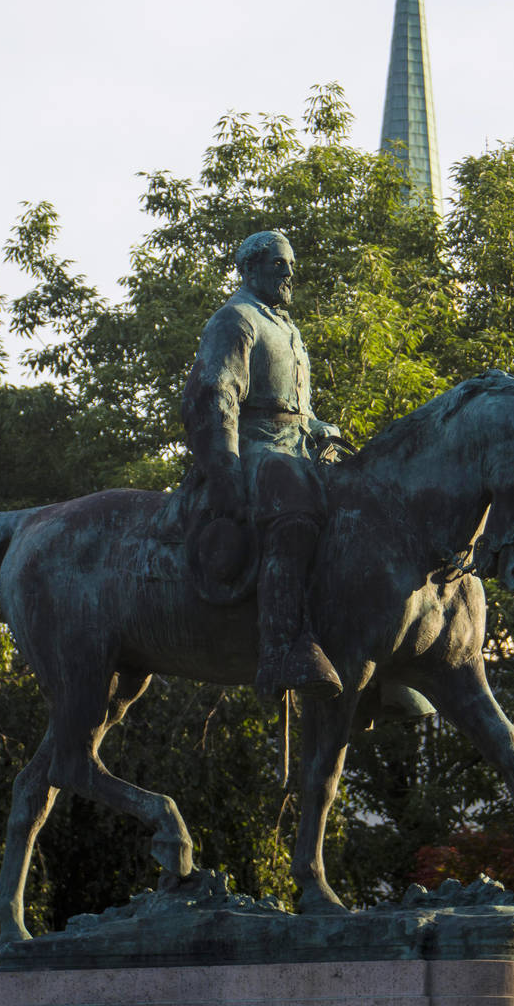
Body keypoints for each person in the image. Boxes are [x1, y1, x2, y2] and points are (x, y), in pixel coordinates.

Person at [182, 230, 343, 701]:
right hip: (253, 447)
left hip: (295, 445)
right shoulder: (235, 319)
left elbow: (298, 407)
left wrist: (320, 427)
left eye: (290, 263)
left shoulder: (286, 327)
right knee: (294, 516)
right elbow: (218, 396)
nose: (289, 272)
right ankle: (279, 652)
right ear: (251, 269)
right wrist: (225, 469)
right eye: (278, 264)